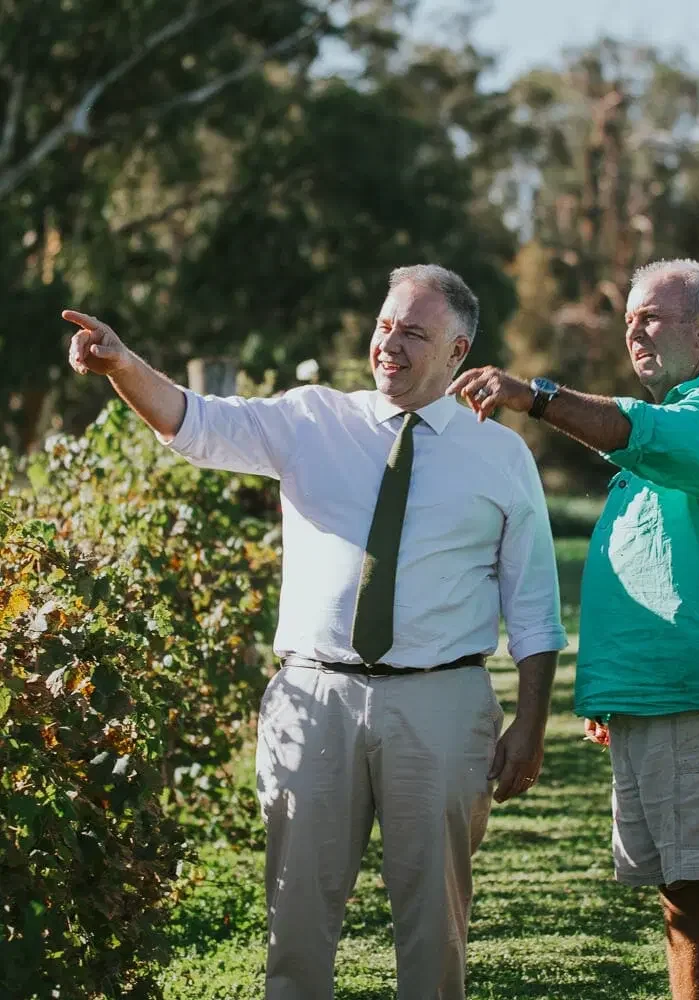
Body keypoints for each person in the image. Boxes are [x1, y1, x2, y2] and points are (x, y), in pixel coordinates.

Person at [64, 264, 567, 1000]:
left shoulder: (502, 455)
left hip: (442, 702)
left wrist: (531, 721)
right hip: (313, 697)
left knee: (435, 924)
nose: (389, 345)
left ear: (459, 352)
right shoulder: (311, 420)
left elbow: (533, 601)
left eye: (414, 334)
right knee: (295, 919)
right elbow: (193, 423)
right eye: (384, 326)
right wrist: (121, 363)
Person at [449, 258, 699, 1000]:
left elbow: (640, 431)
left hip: (694, 686)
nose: (632, 330)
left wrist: (535, 397)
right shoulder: (671, 426)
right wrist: (611, 689)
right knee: (682, 880)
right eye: (629, 318)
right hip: (650, 694)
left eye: (651, 318)